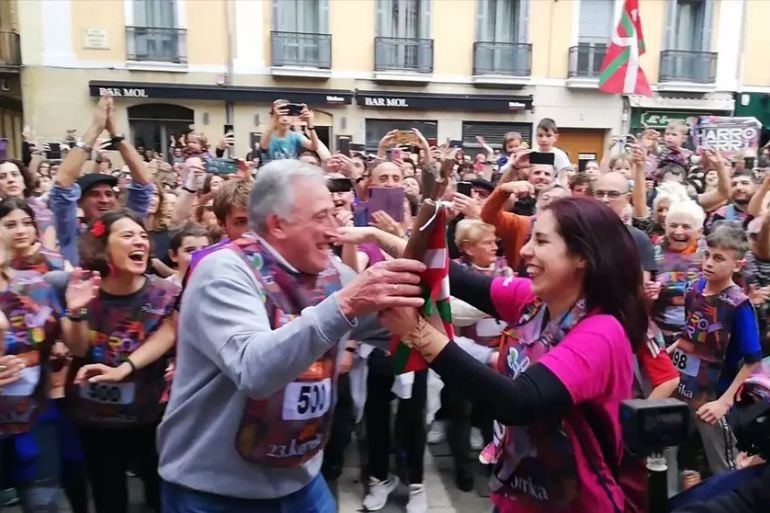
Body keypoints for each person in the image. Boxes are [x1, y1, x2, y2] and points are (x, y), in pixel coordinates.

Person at [157, 160, 426, 512]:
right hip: (215, 493)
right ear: (277, 224)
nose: (334, 228)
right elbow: (254, 370)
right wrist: (346, 305)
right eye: (321, 216)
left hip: (300, 482)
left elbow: (403, 328)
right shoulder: (223, 271)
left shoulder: (331, 273)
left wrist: (423, 297)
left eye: (334, 214)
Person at [374, 197, 648, 513]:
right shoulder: (534, 301)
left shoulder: (601, 332)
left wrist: (418, 333)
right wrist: (378, 237)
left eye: (541, 241)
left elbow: (518, 402)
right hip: (516, 494)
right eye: (530, 238)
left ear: (583, 256)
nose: (525, 250)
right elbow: (455, 276)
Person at [65, 209, 181, 513]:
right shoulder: (83, 288)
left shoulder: (165, 293)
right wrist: (75, 312)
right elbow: (77, 348)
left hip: (151, 415)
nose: (140, 242)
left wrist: (124, 369)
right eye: (128, 235)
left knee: (160, 494)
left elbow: (170, 332)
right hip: (95, 419)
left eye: (143, 236)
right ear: (103, 247)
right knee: (108, 495)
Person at [671, 222, 762, 476]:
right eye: (707, 255)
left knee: (724, 466)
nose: (709, 263)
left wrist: (724, 401)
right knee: (684, 456)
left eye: (719, 258)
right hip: (683, 388)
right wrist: (666, 355)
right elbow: (690, 335)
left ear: (738, 265)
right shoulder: (695, 289)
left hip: (713, 396)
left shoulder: (738, 305)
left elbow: (753, 360)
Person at [51, 95, 152, 265]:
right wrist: (95, 128)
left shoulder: (129, 225)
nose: (104, 200)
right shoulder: (71, 234)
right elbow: (62, 184)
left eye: (109, 194)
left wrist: (116, 136)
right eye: (95, 194)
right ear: (79, 202)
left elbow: (144, 184)